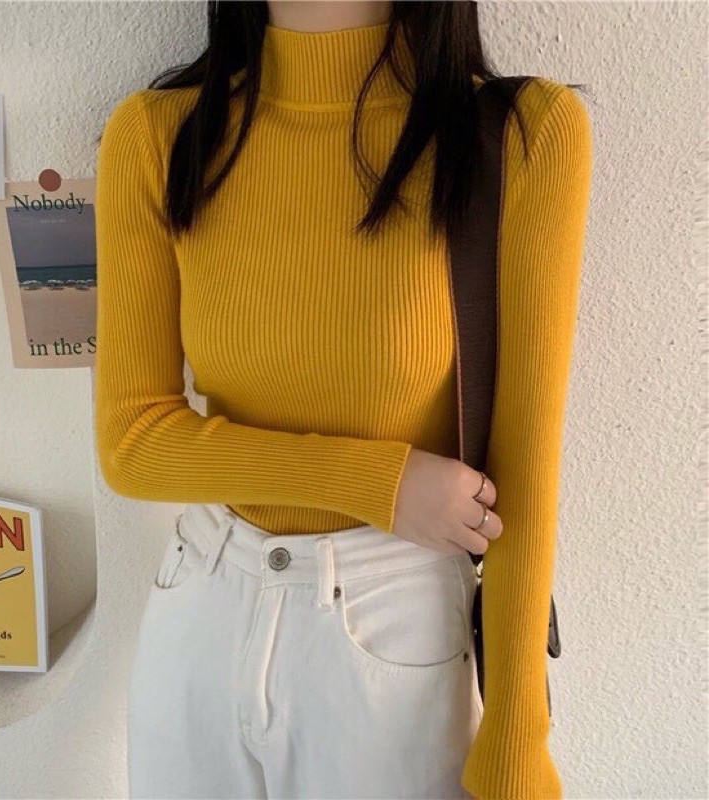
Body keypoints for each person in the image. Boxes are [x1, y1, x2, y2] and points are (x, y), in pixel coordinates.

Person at [93, 1, 592, 798]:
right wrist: (377, 480)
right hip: (202, 604)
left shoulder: (517, 135)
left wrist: (518, 735)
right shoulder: (160, 134)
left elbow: (525, 472)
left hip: (395, 621)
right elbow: (132, 443)